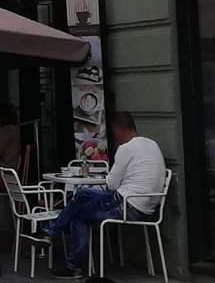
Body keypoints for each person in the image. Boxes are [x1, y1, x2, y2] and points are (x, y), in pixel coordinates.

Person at [43, 111, 167, 278]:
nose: (114, 137)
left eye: (114, 132)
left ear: (119, 129)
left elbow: (111, 185)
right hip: (148, 206)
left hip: (127, 205)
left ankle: (72, 265)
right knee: (82, 193)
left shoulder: (125, 148)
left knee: (79, 215)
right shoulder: (152, 144)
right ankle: (51, 232)